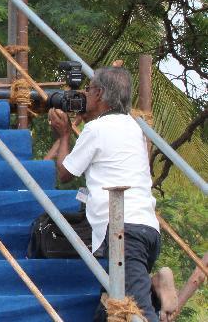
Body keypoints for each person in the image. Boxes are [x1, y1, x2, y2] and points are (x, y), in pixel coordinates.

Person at [49, 66, 177, 322]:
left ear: (99, 94)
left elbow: (64, 173)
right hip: (147, 229)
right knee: (110, 309)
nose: (84, 95)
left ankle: (153, 287)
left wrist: (64, 135)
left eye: (88, 90)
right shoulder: (133, 127)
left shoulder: (95, 130)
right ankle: (154, 285)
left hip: (123, 233)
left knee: (137, 313)